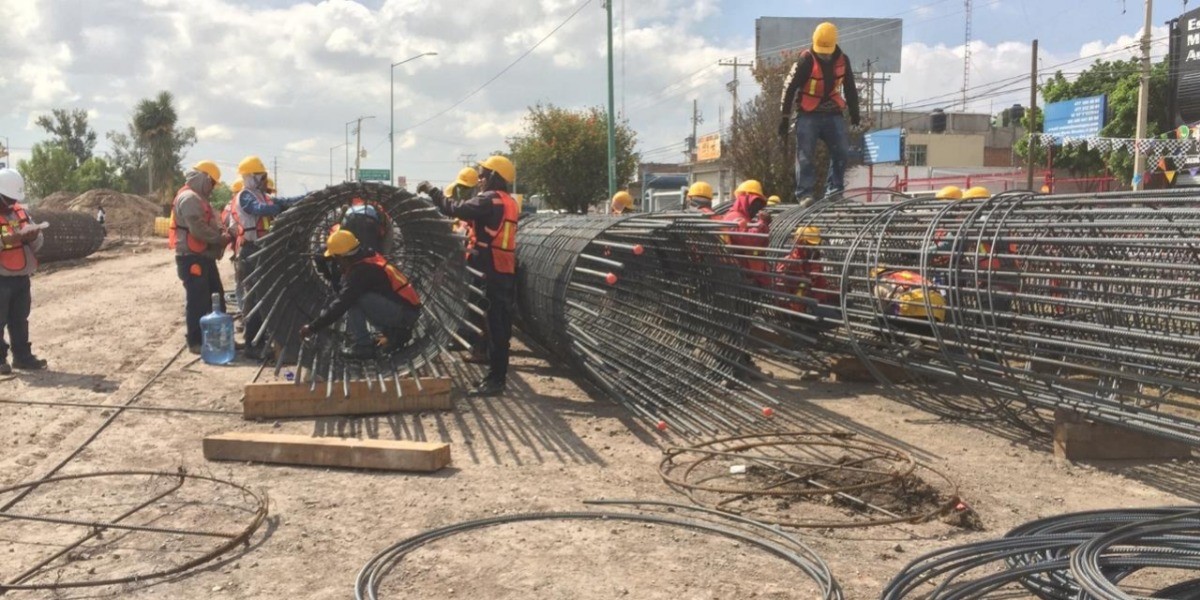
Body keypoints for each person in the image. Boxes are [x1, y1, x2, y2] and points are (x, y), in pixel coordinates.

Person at [418, 155, 518, 396]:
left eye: (484, 174)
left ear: (495, 176)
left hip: (491, 268)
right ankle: (495, 375)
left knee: (495, 326)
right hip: (502, 267)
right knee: (497, 323)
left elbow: (455, 209)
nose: (480, 179)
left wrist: (432, 191)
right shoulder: (508, 201)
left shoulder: (490, 201)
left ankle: (496, 381)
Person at [299, 230, 421, 358]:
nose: (337, 263)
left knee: (352, 299)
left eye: (337, 259)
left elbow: (341, 304)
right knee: (352, 296)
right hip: (406, 309)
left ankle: (363, 346)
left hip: (405, 314)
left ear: (343, 257)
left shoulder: (361, 272)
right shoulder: (366, 254)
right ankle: (395, 334)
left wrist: (312, 327)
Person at [779, 21, 860, 205]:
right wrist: (784, 117)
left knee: (841, 151)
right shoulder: (805, 60)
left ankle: (834, 191)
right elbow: (789, 88)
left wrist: (855, 113)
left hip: (833, 112)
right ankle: (805, 194)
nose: (824, 54)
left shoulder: (843, 60)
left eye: (827, 50)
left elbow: (850, 88)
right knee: (805, 155)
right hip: (808, 113)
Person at [232, 155, 304, 359]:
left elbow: (282, 202)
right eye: (262, 177)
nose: (265, 181)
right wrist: (278, 207)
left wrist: (306, 197)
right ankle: (251, 344)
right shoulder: (246, 196)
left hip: (262, 249)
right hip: (252, 250)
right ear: (253, 177)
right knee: (255, 296)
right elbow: (259, 210)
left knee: (263, 296)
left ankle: (260, 340)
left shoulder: (262, 195)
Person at [168, 161, 230, 355]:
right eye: (212, 183)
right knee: (197, 301)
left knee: (216, 297)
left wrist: (220, 231)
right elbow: (197, 228)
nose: (212, 189)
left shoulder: (199, 199)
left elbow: (210, 221)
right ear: (204, 179)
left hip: (202, 256)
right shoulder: (189, 198)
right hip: (191, 258)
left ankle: (219, 339)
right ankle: (195, 341)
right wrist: (219, 239)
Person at [0, 169, 46, 373]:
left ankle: (22, 357)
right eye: (8, 199)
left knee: (20, 319)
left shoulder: (21, 211)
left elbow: (39, 242)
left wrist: (32, 237)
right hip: (1, 278)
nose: (11, 204)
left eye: (13, 199)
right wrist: (5, 241)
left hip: (21, 276)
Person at [722, 179, 772, 288]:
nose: (757, 208)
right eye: (756, 203)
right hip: (740, 276)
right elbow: (749, 240)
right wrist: (762, 223)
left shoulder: (744, 218)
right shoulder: (734, 217)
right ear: (745, 199)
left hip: (749, 274)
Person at [775, 225, 832, 315]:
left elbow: (821, 287)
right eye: (811, 245)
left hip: (811, 304)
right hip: (792, 309)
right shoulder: (788, 263)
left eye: (816, 245)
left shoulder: (815, 264)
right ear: (800, 243)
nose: (814, 249)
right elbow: (779, 290)